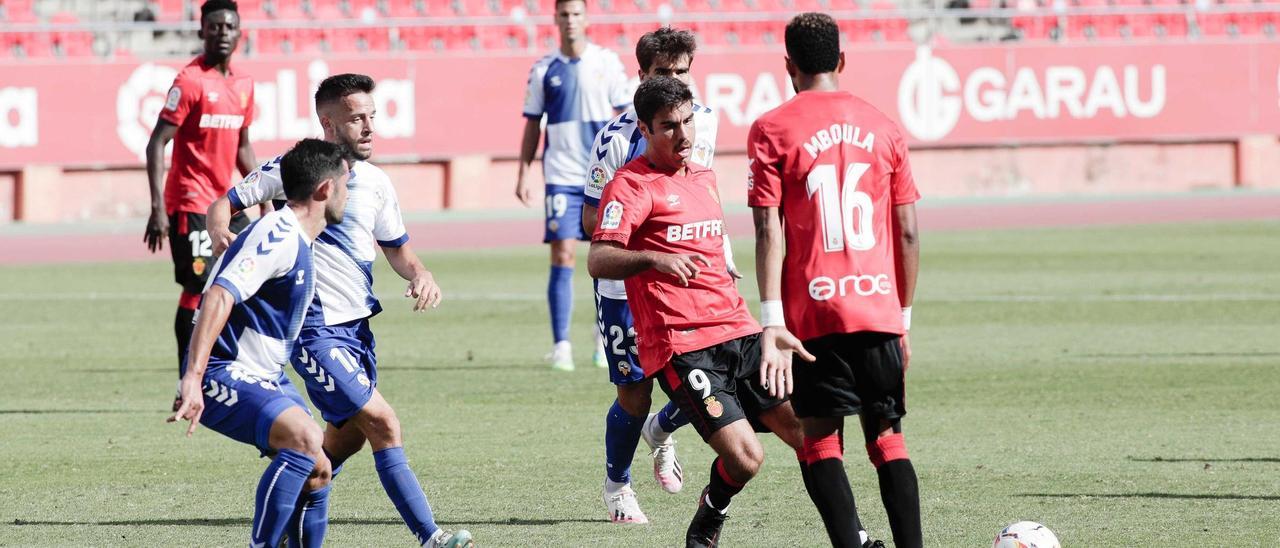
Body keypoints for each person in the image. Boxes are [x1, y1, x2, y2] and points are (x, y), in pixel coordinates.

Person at [206, 74, 472, 548]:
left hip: (357, 330)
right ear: (328, 123)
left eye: (372, 116)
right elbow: (225, 202)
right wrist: (221, 231)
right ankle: (431, 537)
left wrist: (421, 274)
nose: (369, 127)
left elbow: (397, 249)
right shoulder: (298, 168)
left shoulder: (374, 183)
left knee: (334, 448)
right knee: (384, 423)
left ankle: (296, 502)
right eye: (357, 119)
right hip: (315, 332)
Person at [588, 76, 811, 548]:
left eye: (688, 121)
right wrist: (654, 258)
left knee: (811, 436)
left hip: (740, 331)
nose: (684, 135)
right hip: (683, 346)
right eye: (669, 127)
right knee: (747, 459)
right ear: (645, 130)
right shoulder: (629, 186)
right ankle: (709, 515)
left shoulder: (703, 177)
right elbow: (599, 257)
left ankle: (851, 533)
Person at [748, 12, 922, 548]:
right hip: (878, 310)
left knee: (820, 440)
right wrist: (903, 318)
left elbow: (766, 228)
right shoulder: (884, 125)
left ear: (788, 66)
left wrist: (771, 318)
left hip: (813, 317)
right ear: (842, 61)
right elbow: (909, 232)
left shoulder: (771, 129)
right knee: (888, 438)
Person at [169, 138, 346, 548]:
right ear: (325, 190)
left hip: (262, 375)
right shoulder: (279, 233)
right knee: (303, 438)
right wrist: (193, 378)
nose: (348, 194)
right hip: (220, 372)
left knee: (319, 468)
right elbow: (217, 294)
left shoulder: (297, 235)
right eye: (346, 184)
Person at [580, 26, 724, 524]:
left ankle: (663, 431)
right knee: (634, 391)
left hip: (696, 279)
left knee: (717, 376)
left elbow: (705, 192)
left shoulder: (703, 123)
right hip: (627, 286)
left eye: (682, 72)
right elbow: (590, 221)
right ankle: (617, 484)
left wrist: (719, 252)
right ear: (640, 75)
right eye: (663, 73)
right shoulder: (617, 137)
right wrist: (657, 246)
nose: (674, 81)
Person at [144, 0, 260, 383]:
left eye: (229, 27)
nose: (222, 33)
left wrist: (266, 195)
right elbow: (157, 143)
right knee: (197, 287)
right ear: (202, 31)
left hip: (227, 202)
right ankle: (186, 379)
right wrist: (159, 208)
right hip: (190, 202)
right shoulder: (189, 81)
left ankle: (233, 367)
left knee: (249, 279)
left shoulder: (243, 85)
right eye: (214, 27)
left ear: (239, 32)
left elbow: (242, 146)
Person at [517, 0, 630, 371]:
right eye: (564, 14)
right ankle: (562, 345)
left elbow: (628, 116)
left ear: (586, 18)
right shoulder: (543, 69)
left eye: (576, 14)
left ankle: (603, 338)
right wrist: (524, 171)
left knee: (605, 256)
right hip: (562, 176)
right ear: (556, 19)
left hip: (603, 174)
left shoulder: (607, 63)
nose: (570, 21)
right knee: (563, 254)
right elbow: (533, 124)